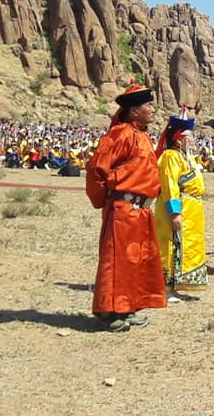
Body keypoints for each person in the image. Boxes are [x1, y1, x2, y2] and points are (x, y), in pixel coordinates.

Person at [84, 84, 166, 332]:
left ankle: (128, 306)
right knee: (117, 261)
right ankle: (109, 312)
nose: (153, 110)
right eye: (148, 105)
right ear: (133, 111)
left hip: (141, 210)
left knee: (136, 261)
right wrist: (107, 199)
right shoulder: (121, 134)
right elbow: (97, 168)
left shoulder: (142, 135)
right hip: (124, 208)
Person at [154, 110, 207, 303]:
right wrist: (174, 212)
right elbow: (170, 185)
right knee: (171, 244)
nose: (191, 140)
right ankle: (165, 288)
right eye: (188, 136)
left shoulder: (186, 157)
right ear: (178, 139)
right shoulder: (170, 157)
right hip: (179, 207)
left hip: (192, 208)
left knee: (184, 245)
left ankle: (177, 286)